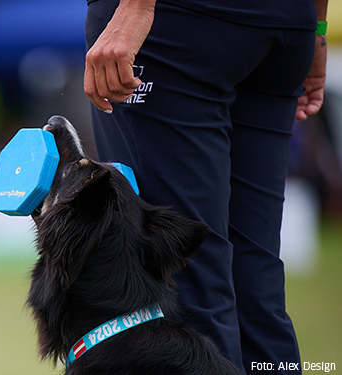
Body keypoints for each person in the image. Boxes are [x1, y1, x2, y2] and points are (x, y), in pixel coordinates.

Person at [83, 0, 328, 373]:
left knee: (187, 286)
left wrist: (135, 9)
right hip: (287, 20)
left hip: (176, 24)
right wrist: (318, 29)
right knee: (257, 292)